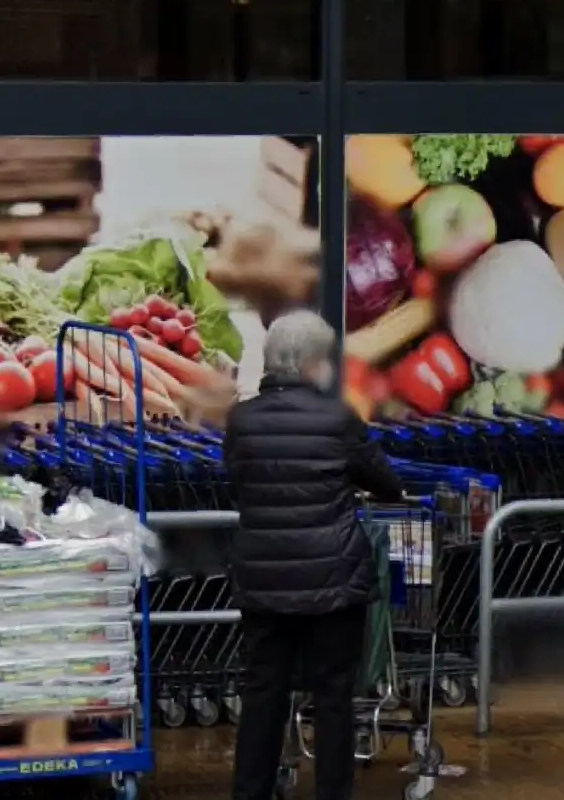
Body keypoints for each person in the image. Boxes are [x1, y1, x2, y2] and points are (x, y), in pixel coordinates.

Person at [226, 310, 405, 800]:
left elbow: (239, 484)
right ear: (310, 363)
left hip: (263, 579)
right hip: (333, 580)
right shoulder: (337, 419)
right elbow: (385, 483)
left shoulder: (241, 421)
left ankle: (250, 792)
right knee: (332, 697)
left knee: (263, 693)